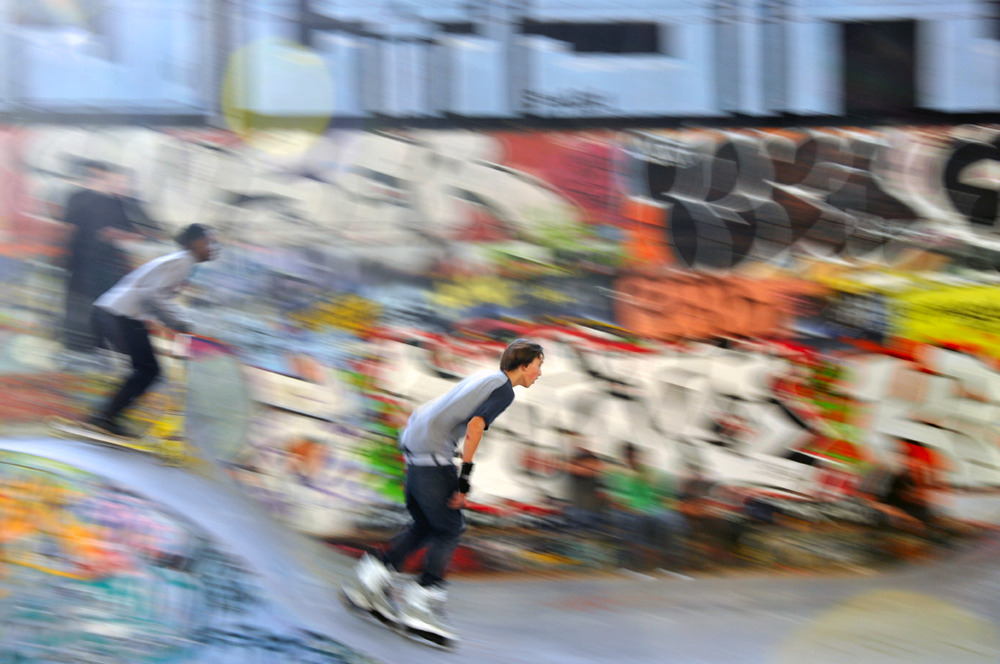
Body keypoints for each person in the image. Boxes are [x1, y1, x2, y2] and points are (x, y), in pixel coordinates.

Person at [353, 338, 544, 641]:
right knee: (449, 529)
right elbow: (475, 426)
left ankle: (371, 580)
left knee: (426, 526)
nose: (539, 373)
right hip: (432, 459)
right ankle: (422, 604)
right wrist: (464, 479)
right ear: (523, 366)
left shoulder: (483, 377)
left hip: (415, 455)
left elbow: (429, 411)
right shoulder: (504, 389)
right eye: (538, 366)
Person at [86, 223, 218, 438]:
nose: (213, 247)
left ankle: (104, 417)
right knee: (148, 370)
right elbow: (152, 294)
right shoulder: (183, 262)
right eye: (209, 242)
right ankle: (104, 418)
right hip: (120, 314)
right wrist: (181, 323)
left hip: (113, 311)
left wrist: (171, 322)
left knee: (145, 370)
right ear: (195, 243)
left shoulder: (180, 260)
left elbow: (153, 295)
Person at [60, 161, 159, 358]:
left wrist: (120, 235)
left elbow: (144, 231)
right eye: (95, 177)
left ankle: (100, 348)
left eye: (103, 178)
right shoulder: (79, 197)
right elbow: (68, 226)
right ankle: (78, 348)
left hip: (105, 265)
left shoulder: (119, 203)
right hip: (81, 263)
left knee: (102, 309)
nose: (101, 182)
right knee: (81, 306)